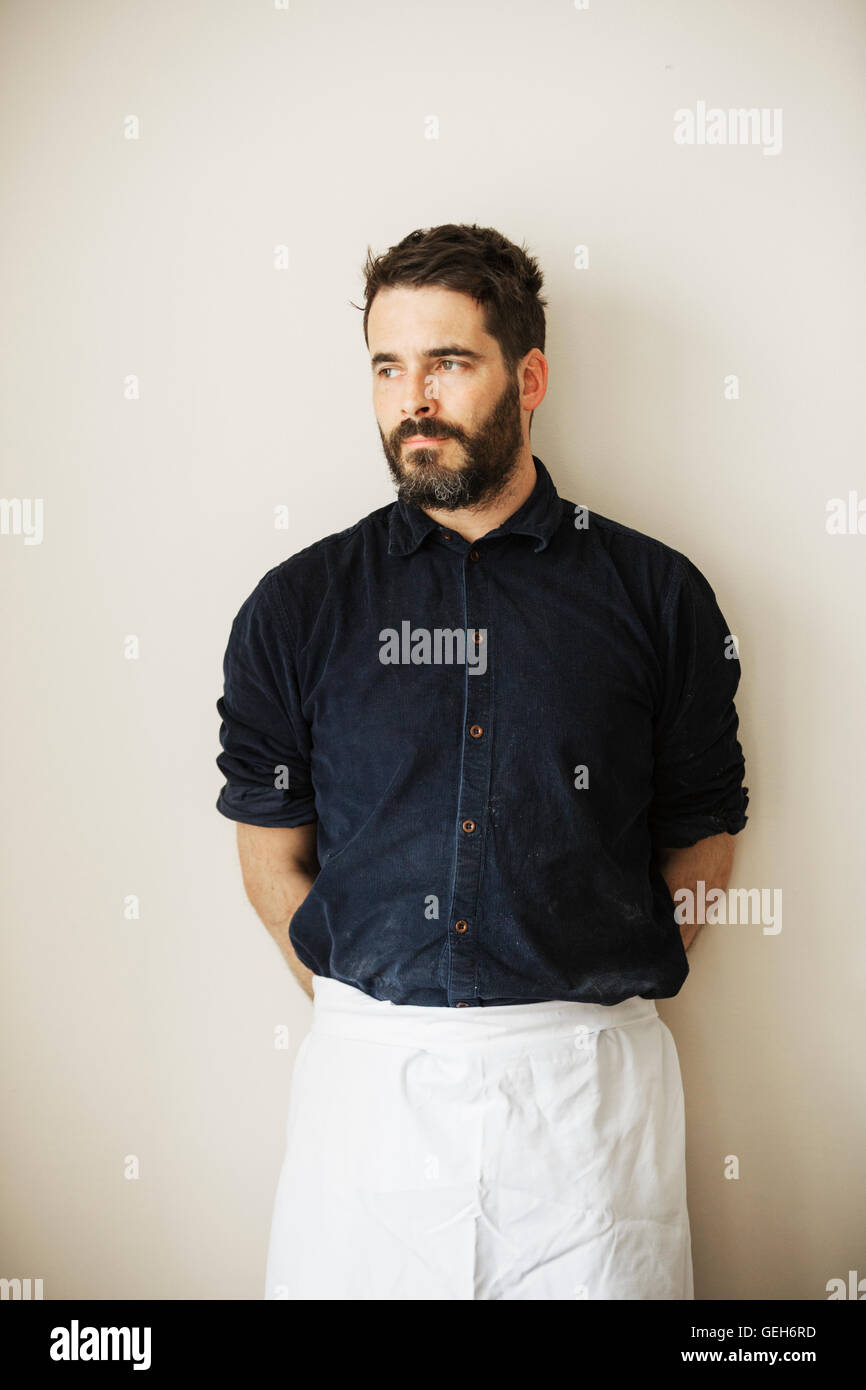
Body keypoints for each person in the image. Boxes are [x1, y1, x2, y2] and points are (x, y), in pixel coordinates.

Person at [214, 223, 749, 1301]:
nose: (413, 398)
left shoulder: (656, 595)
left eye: (447, 363)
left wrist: (569, 987)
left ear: (528, 376)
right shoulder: (298, 606)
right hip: (367, 1097)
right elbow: (270, 854)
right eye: (386, 367)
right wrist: (373, 1009)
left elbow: (702, 829)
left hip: (586, 1107)